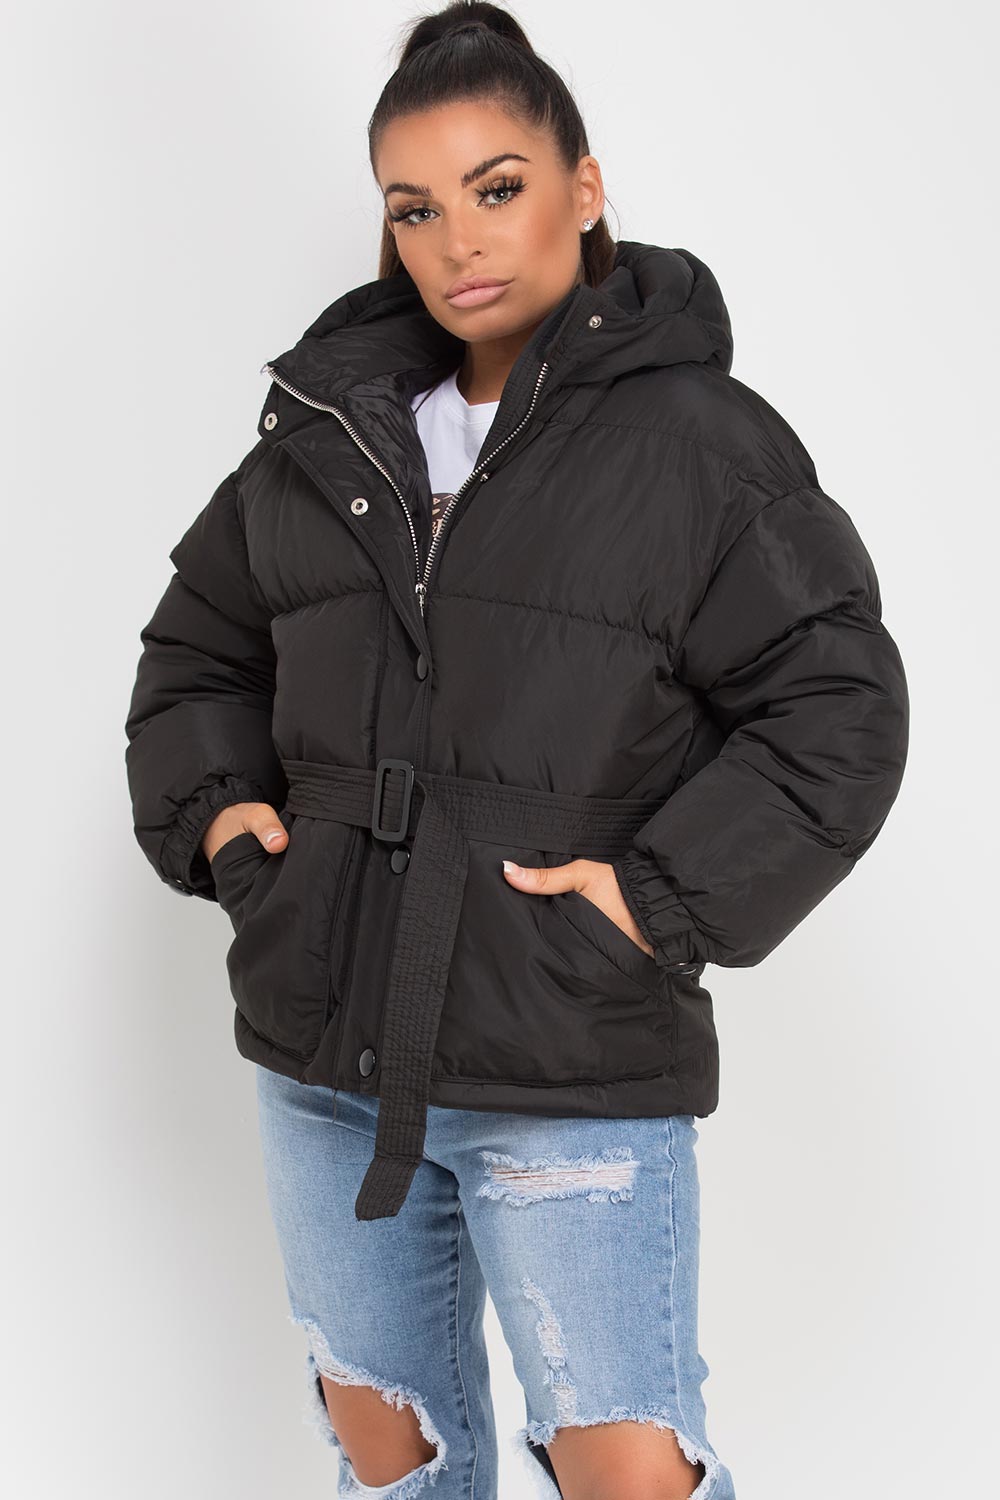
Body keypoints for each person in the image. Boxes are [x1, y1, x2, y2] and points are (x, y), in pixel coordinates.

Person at [123, 3, 910, 1497]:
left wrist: (654, 903)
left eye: (497, 187)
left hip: (566, 1055)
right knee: (392, 1459)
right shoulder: (327, 440)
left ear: (584, 188)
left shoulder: (702, 447)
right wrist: (228, 827)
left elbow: (840, 706)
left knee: (627, 1471)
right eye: (414, 208)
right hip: (327, 1055)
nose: (457, 240)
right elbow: (197, 655)